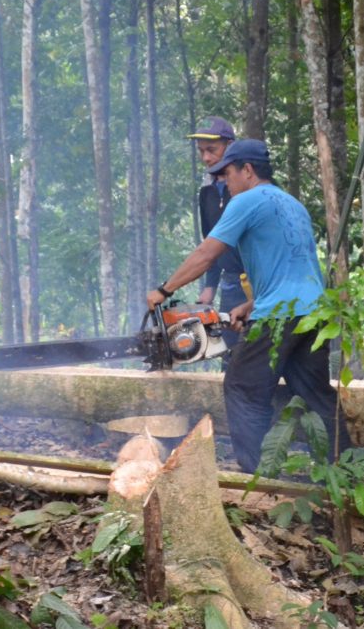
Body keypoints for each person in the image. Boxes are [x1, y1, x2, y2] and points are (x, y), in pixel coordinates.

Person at [145, 139, 352, 473]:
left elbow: (206, 253)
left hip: (279, 316)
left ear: (248, 170)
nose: (224, 182)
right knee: (315, 394)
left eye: (227, 173)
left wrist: (163, 289)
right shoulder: (293, 205)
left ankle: (258, 474)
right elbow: (298, 270)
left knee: (242, 386)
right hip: (313, 313)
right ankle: (344, 468)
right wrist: (252, 304)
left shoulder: (245, 201)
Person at [187, 117, 247, 353]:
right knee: (229, 350)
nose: (206, 158)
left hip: (259, 283)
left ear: (230, 145)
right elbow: (211, 242)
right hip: (231, 283)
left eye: (212, 150)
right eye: (201, 151)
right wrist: (210, 285)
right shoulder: (207, 191)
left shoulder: (248, 187)